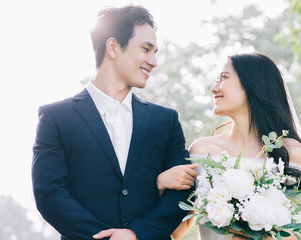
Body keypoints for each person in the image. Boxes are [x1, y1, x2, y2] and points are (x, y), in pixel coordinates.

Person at [32, 5, 195, 240]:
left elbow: (184, 191)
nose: (154, 61)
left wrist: (136, 234)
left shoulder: (166, 120)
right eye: (146, 49)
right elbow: (49, 194)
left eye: (155, 51)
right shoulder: (56, 118)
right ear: (113, 47)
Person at [157, 52, 301, 240]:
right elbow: (177, 232)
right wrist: (161, 184)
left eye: (224, 78)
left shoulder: (290, 151)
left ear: (253, 84)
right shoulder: (201, 151)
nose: (214, 88)